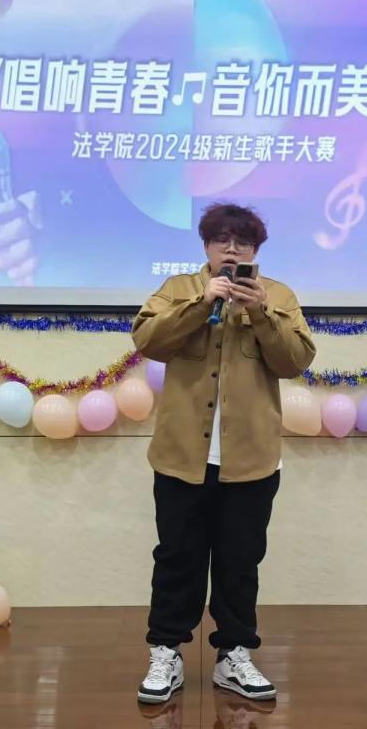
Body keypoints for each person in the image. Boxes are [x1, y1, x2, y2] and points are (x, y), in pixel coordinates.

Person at [131, 203, 316, 703]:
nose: (232, 250)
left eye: (243, 242)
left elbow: (295, 360)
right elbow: (147, 340)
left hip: (251, 460)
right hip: (180, 458)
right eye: (221, 240)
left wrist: (260, 313)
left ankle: (234, 654)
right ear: (206, 246)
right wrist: (200, 304)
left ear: (256, 250)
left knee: (239, 562)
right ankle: (166, 652)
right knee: (177, 558)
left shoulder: (278, 296)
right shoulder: (178, 289)